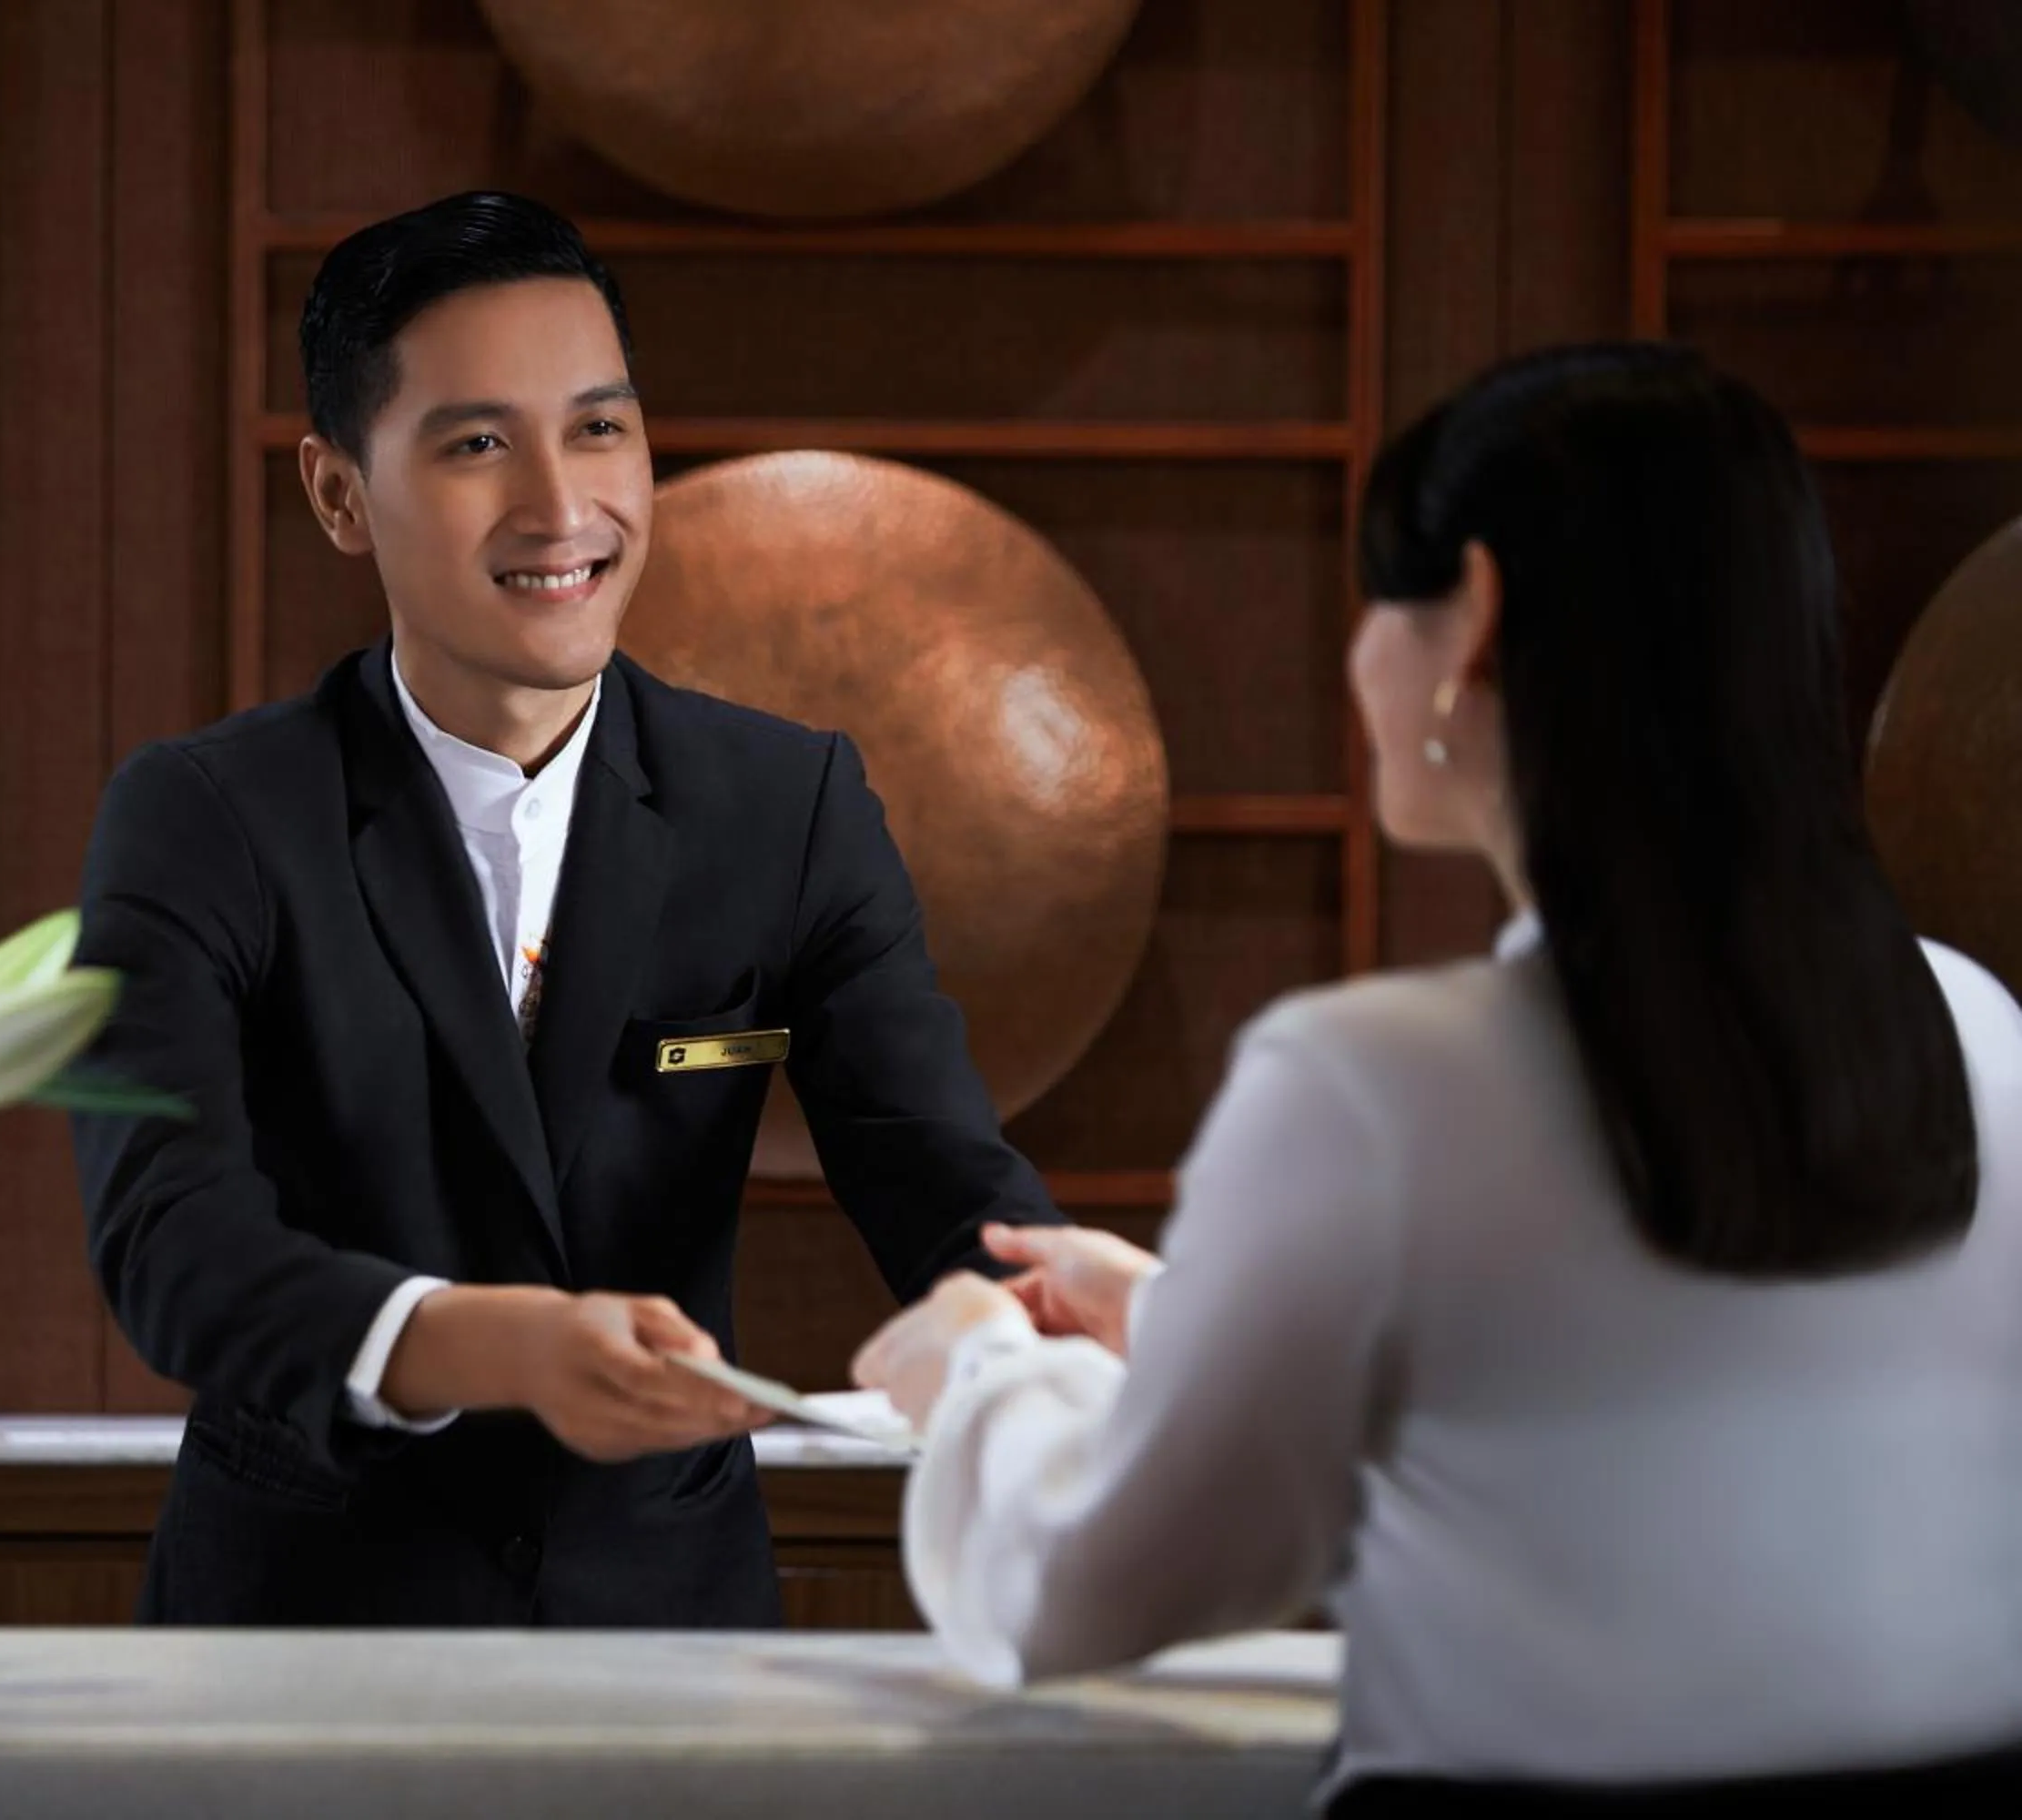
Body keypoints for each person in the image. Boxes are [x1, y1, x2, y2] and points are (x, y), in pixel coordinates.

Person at [852, 344, 2022, 1813]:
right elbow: (1611, 1392)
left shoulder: (1370, 1089)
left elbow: (1083, 1594)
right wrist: (1176, 1316)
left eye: (1376, 604)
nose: (1358, 660)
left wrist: (974, 1368)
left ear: (1471, 616)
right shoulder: (1978, 1032)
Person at [69, 191, 1056, 1629]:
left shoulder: (785, 809)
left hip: (674, 1636)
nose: (560, 508)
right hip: (299, 1646)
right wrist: (493, 1347)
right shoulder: (207, 818)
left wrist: (1012, 1318)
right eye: (478, 444)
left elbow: (944, 1179)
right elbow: (171, 1247)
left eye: (599, 429)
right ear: (339, 492)